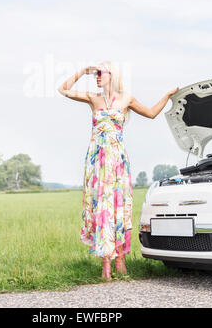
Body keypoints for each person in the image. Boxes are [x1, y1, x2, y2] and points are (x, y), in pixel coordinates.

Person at [58, 61, 179, 280]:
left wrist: (168, 95)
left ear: (112, 75)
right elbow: (63, 90)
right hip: (97, 163)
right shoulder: (92, 98)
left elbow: (151, 113)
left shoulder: (126, 98)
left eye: (99, 73)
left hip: (118, 162)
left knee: (119, 208)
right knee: (102, 208)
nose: (96, 76)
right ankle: (106, 263)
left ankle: (120, 260)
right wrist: (82, 71)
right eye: (95, 73)